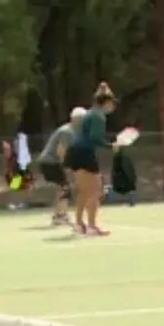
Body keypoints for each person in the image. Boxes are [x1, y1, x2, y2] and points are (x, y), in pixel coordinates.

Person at [63, 82, 117, 236]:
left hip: (74, 152)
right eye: (112, 103)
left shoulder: (90, 113)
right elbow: (95, 138)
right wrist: (110, 146)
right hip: (84, 153)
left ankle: (80, 224)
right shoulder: (99, 116)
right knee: (95, 190)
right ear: (106, 103)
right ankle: (92, 227)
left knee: (84, 191)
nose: (113, 107)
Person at [38, 107, 86, 225]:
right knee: (65, 188)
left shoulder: (73, 132)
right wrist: (67, 169)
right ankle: (60, 216)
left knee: (63, 188)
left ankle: (59, 215)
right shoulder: (67, 131)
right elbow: (61, 151)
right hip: (50, 162)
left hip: (50, 162)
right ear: (76, 119)